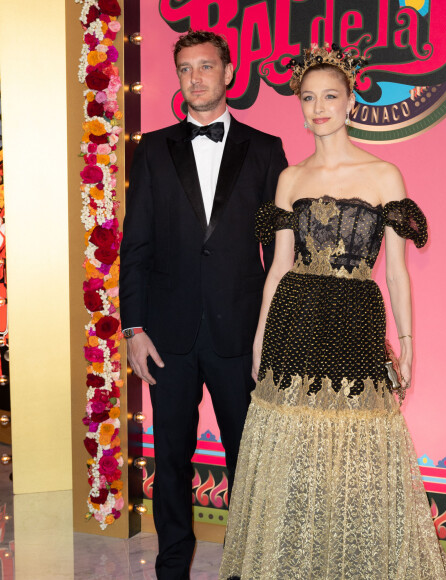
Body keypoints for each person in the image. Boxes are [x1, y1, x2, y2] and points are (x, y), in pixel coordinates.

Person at [219, 45, 446, 579]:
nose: (319, 108)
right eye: (309, 98)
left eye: (330, 97)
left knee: (359, 453)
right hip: (294, 319)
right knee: (292, 453)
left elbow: (397, 271)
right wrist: (258, 338)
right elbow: (278, 268)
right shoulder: (290, 178)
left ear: (351, 102)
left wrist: (408, 341)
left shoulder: (384, 174)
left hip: (356, 318)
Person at [119, 30, 287, 579]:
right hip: (167, 337)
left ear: (229, 71)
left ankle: (245, 566)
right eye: (186, 68)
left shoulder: (265, 151)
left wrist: (273, 333)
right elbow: (136, 245)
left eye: (206, 66)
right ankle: (172, 566)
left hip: (240, 335)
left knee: (249, 461)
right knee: (169, 460)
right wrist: (133, 328)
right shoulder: (152, 150)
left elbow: (280, 252)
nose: (195, 77)